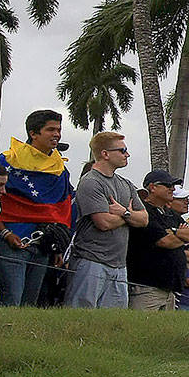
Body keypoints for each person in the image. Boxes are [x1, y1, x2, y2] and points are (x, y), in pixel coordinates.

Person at [0, 110, 76, 306]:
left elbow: (62, 209)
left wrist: (59, 246)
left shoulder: (60, 168)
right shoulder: (8, 160)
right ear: (33, 133)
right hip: (10, 244)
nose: (56, 134)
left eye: (59, 130)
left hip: (43, 247)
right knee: (11, 301)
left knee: (29, 306)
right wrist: (5, 233)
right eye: (50, 129)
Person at [65, 132, 148, 308]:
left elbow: (144, 219)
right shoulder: (91, 182)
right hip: (90, 262)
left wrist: (123, 212)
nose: (127, 154)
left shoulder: (126, 184)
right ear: (105, 154)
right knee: (81, 318)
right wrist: (129, 215)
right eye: (122, 150)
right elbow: (103, 222)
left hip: (119, 266)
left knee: (112, 321)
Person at [125, 170, 189, 310]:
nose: (172, 188)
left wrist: (174, 233)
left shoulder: (170, 214)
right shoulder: (144, 211)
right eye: (167, 185)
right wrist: (180, 233)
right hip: (147, 288)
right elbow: (165, 242)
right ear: (152, 187)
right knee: (141, 329)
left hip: (169, 290)